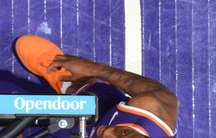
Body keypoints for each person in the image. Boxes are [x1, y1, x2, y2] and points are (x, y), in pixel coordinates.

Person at [14, 35, 178, 137]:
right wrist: (92, 68)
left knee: (19, 128)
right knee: (99, 98)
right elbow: (153, 91)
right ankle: (71, 83)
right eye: (124, 132)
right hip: (104, 108)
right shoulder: (153, 111)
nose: (107, 132)